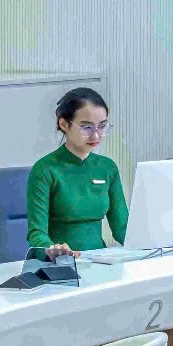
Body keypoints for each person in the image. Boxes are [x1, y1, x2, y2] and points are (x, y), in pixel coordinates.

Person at [27, 86, 128, 257]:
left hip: (99, 262)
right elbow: (36, 234)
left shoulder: (108, 168)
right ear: (64, 124)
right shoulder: (44, 170)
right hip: (59, 264)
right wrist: (52, 249)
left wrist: (155, 241)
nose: (96, 136)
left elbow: (122, 227)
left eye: (102, 126)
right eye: (86, 127)